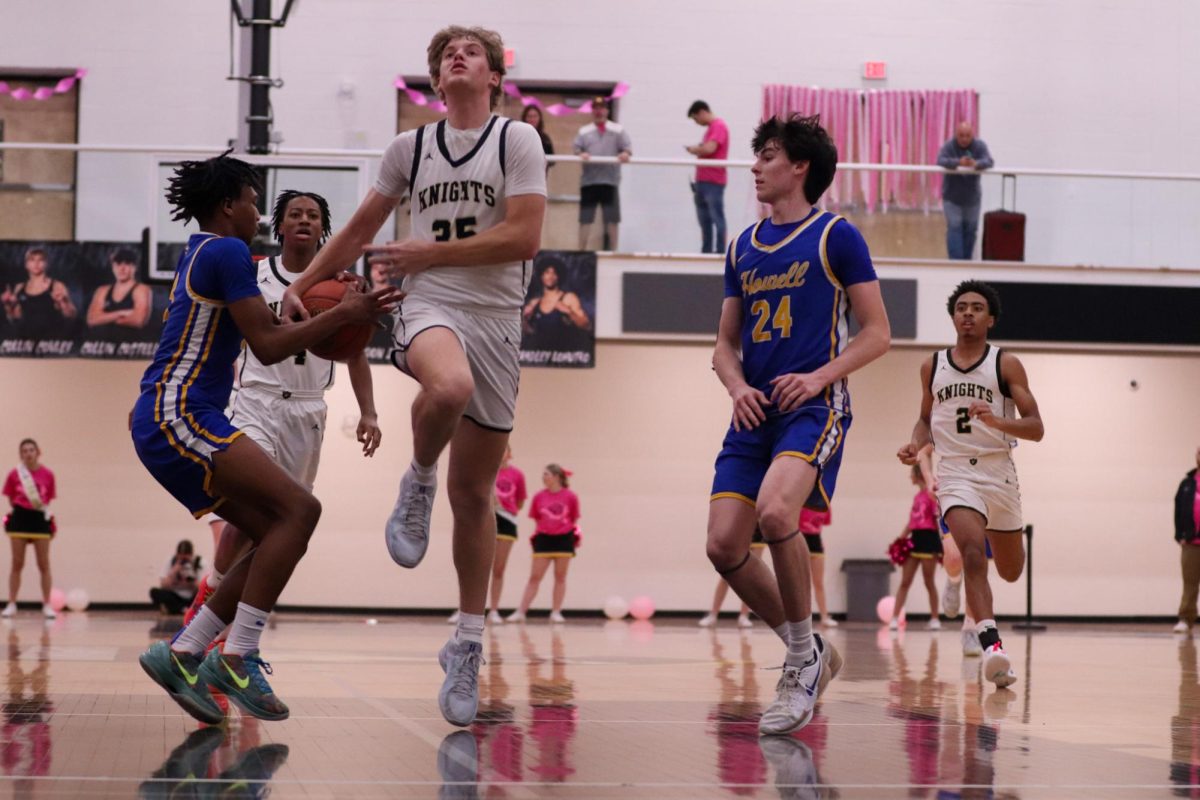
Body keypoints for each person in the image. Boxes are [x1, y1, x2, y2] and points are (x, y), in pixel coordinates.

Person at [278, 25, 547, 728]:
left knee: (478, 493)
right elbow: (362, 230)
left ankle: (467, 641)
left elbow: (524, 237)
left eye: (471, 53)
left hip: (496, 316)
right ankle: (417, 477)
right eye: (444, 56)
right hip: (428, 300)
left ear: (493, 77)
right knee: (448, 388)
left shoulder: (516, 141)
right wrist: (302, 280)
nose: (457, 59)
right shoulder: (411, 149)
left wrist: (428, 249)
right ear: (434, 81)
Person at [129, 152, 398, 726]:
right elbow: (270, 347)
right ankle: (238, 655)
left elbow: (278, 331)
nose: (258, 210)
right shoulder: (227, 251)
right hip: (180, 411)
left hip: (178, 415)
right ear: (230, 205)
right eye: (253, 200)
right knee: (300, 512)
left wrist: (345, 316)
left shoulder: (208, 252)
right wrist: (344, 312)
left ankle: (182, 653)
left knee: (271, 532)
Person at [706, 113, 891, 736]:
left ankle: (798, 661)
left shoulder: (837, 236)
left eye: (767, 155)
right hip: (753, 411)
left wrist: (818, 377)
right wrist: (735, 387)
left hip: (814, 406)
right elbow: (724, 346)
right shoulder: (741, 246)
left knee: (779, 514)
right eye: (756, 155)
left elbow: (878, 333)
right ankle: (809, 648)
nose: (755, 164)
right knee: (724, 546)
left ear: (800, 166)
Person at [184, 189, 385, 639]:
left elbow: (355, 355)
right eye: (295, 213)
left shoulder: (344, 285)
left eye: (314, 214)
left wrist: (369, 412)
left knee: (278, 526)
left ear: (324, 228)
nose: (304, 220)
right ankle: (210, 597)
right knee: (245, 517)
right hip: (255, 399)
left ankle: (225, 625)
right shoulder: (252, 274)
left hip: (309, 410)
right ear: (279, 224)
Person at [897, 279, 1044, 688]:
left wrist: (998, 420)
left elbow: (1037, 428)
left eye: (977, 307)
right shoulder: (932, 365)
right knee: (972, 554)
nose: (968, 313)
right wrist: (916, 444)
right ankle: (994, 650)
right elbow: (926, 419)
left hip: (999, 471)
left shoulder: (1006, 364)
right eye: (961, 307)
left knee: (1012, 570)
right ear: (952, 316)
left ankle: (961, 578)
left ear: (990, 318)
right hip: (957, 471)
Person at [508, 464, 580, 624]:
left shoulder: (571, 496)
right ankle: (521, 612)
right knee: (535, 577)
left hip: (564, 539)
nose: (543, 477)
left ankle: (556, 612)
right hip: (543, 539)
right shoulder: (539, 496)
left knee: (560, 577)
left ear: (556, 477)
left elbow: (574, 517)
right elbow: (536, 517)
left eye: (546, 474)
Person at [1, 439, 57, 619]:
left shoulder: (48, 474)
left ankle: (47, 604)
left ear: (38, 452)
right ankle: (11, 603)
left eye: (31, 450)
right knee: (17, 563)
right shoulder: (14, 474)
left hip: (39, 520)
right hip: (20, 519)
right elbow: (11, 498)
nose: (28, 453)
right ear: (20, 454)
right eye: (24, 451)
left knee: (44, 564)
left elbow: (48, 498)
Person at [889, 465, 944, 631]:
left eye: (911, 473)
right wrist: (900, 539)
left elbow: (938, 519)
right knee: (905, 581)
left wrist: (944, 542)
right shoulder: (917, 496)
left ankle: (935, 618)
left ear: (918, 473)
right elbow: (912, 522)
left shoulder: (931, 494)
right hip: (915, 539)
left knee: (929, 581)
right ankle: (894, 618)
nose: (909, 476)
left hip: (929, 539)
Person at [574, 97, 631, 251]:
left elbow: (627, 148)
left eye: (602, 108)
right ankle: (581, 252)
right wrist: (581, 154)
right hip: (589, 182)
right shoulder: (584, 131)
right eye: (596, 108)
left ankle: (614, 252)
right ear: (592, 111)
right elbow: (576, 149)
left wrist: (625, 153)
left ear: (607, 110)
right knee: (585, 219)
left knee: (612, 219)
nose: (599, 111)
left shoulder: (618, 130)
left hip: (610, 181)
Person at [936, 122, 993, 260]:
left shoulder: (980, 146)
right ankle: (956, 263)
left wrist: (976, 164)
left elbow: (989, 161)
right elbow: (940, 160)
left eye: (967, 136)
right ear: (956, 135)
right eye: (961, 135)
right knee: (954, 227)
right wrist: (958, 163)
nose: (964, 139)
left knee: (971, 229)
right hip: (951, 197)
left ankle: (966, 262)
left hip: (972, 198)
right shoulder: (949, 146)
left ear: (972, 135)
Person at [0, 248, 77, 339]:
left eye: (40, 260)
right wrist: (8, 306)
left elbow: (71, 316)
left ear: (46, 264)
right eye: (32, 259)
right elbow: (15, 318)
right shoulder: (19, 288)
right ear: (26, 264)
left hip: (51, 339)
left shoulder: (57, 286)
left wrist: (63, 302)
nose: (36, 264)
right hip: (26, 339)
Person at [686, 100, 729, 254]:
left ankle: (720, 252)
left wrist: (695, 149)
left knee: (717, 218)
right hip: (703, 181)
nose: (697, 123)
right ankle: (707, 251)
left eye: (696, 119)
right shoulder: (711, 129)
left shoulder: (718, 126)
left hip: (713, 181)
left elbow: (710, 148)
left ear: (702, 112)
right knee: (705, 221)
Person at [521, 258, 591, 351]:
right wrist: (524, 319)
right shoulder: (535, 303)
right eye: (547, 272)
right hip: (541, 356)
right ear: (541, 276)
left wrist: (569, 312)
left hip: (564, 355)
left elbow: (586, 325)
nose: (550, 276)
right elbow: (530, 332)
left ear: (558, 276)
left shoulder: (568, 298)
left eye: (554, 273)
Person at [699, 529, 765, 628]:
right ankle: (713, 614)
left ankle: (744, 615)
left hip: (757, 529)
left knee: (750, 574)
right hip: (739, 528)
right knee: (727, 573)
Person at [85, 248, 152, 338]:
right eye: (118, 264)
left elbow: (138, 320)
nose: (122, 268)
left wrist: (105, 318)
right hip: (104, 345)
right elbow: (92, 319)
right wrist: (121, 313)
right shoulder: (102, 290)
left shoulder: (141, 289)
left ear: (135, 267)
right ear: (113, 267)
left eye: (127, 264)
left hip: (131, 345)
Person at [1173, 446, 1200, 633]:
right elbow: (1178, 510)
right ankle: (1185, 618)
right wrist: (1180, 534)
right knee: (1189, 582)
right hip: (1191, 543)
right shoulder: (1187, 483)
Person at [799, 506, 837, 627]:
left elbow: (826, 521)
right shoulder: (800, 499)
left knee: (818, 582)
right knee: (801, 582)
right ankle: (799, 617)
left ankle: (824, 616)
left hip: (816, 541)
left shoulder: (825, 504)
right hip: (800, 539)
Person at [150, 539, 201, 615]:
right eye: (181, 556)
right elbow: (163, 585)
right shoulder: (171, 561)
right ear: (177, 554)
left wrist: (192, 573)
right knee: (154, 591)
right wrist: (174, 571)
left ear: (191, 554)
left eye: (186, 557)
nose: (183, 560)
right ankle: (184, 609)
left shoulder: (199, 562)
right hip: (175, 596)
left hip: (192, 596)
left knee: (206, 596)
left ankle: (178, 609)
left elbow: (202, 586)